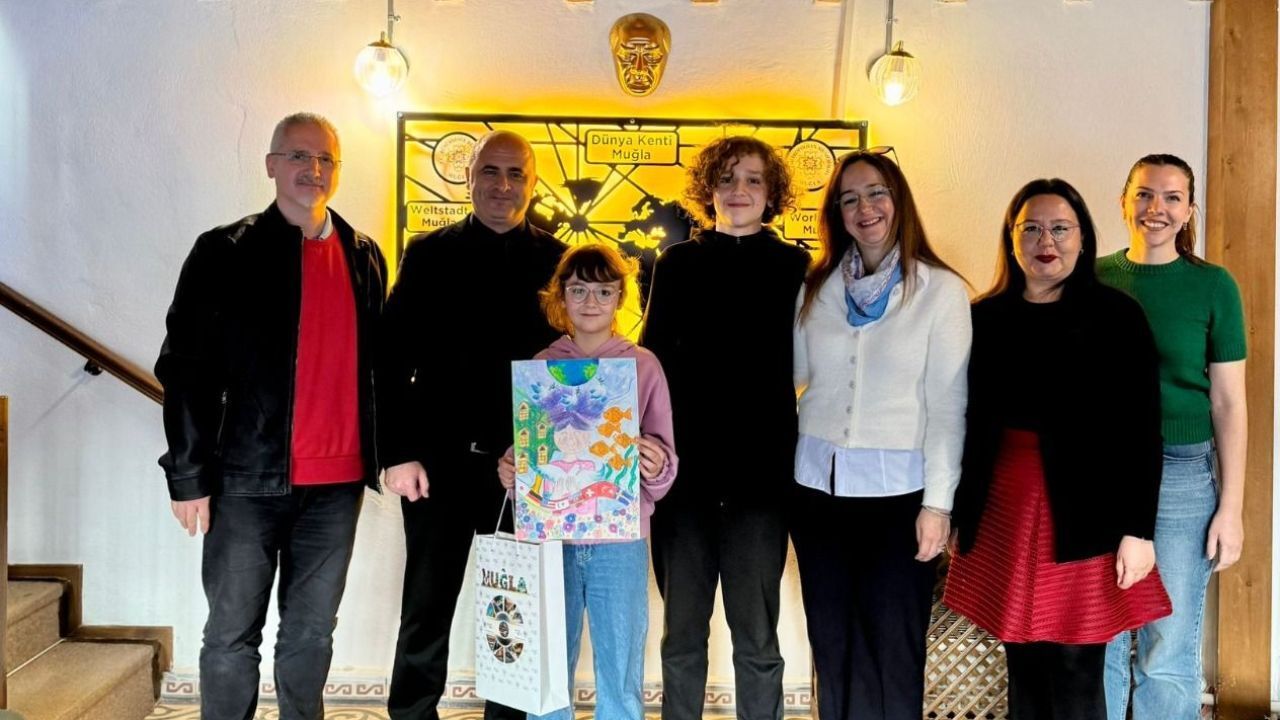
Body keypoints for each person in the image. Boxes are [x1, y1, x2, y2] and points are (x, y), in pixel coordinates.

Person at [156, 112, 387, 720]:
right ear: (271, 165)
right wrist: (188, 474)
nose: (314, 169)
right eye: (298, 156)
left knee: (311, 636)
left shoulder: (364, 255)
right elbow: (186, 367)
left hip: (337, 485)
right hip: (244, 480)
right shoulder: (223, 251)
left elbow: (380, 369)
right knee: (231, 634)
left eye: (326, 158)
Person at [945, 178, 1172, 720]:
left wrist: (1139, 531)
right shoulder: (984, 317)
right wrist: (959, 515)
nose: (1046, 241)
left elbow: (1143, 431)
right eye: (1032, 228)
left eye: (1061, 228)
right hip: (1004, 507)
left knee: (1075, 662)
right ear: (1012, 237)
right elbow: (966, 424)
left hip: (1089, 513)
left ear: (1083, 237)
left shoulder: (1117, 316)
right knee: (1020, 658)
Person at [377, 130, 567, 720]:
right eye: (490, 171)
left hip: (526, 468)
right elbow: (390, 359)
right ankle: (412, 715)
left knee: (513, 609)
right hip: (439, 464)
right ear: (469, 177)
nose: (502, 185)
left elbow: (574, 365)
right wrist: (396, 453)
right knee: (426, 606)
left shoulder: (558, 260)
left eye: (516, 173)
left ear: (532, 184)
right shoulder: (428, 253)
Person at [791, 149, 970, 720]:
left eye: (876, 193)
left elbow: (948, 407)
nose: (864, 208)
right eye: (849, 199)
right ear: (837, 214)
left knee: (893, 646)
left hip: (899, 498)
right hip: (817, 493)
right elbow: (794, 378)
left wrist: (938, 505)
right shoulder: (816, 288)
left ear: (899, 201)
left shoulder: (941, 291)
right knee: (832, 642)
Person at [640, 136, 808, 720]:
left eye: (754, 179)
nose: (739, 190)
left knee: (757, 638)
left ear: (772, 192)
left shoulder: (795, 267)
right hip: (684, 482)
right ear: (707, 189)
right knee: (682, 636)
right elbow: (651, 366)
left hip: (762, 483)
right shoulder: (676, 264)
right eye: (727, 178)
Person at [498, 243, 679, 720]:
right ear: (561, 296)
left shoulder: (643, 366)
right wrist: (512, 471)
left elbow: (664, 458)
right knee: (548, 665)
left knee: (620, 665)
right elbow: (531, 452)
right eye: (578, 290)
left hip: (620, 539)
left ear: (621, 297)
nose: (591, 301)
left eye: (604, 290)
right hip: (551, 540)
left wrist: (655, 464)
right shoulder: (541, 365)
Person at [1099, 155, 1247, 720]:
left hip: (1183, 473)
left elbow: (1229, 402)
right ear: (1123, 201)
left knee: (1168, 641)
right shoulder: (1092, 277)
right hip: (1102, 471)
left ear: (1189, 210)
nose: (1155, 208)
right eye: (1143, 194)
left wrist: (1230, 508)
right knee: (1100, 637)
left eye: (1171, 197)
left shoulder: (1213, 286)